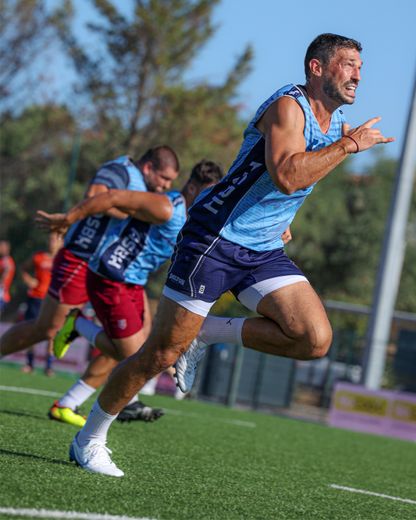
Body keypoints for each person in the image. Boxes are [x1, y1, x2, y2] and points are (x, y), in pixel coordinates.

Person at [63, 33, 394, 477]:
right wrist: (350, 146)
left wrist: (283, 218)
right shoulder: (289, 107)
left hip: (261, 249)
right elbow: (288, 177)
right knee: (159, 353)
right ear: (316, 68)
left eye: (359, 65)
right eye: (348, 63)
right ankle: (88, 439)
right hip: (215, 240)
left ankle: (209, 333)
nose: (358, 73)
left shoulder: (334, 123)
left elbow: (286, 188)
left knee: (313, 338)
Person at [37, 160, 224, 425]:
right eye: (207, 193)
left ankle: (67, 403)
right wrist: (69, 218)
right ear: (192, 187)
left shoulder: (192, 213)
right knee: (134, 355)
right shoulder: (167, 207)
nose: (211, 200)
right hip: (110, 278)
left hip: (132, 283)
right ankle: (78, 324)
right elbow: (112, 196)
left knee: (135, 350)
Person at [0, 146, 179, 420]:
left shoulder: (148, 193)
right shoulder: (119, 170)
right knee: (45, 329)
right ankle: (77, 327)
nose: (166, 186)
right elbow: (96, 197)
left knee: (132, 337)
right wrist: (127, 205)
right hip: (80, 260)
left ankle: (71, 403)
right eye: (164, 179)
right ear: (148, 168)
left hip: (114, 270)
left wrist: (131, 205)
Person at [20, 232, 62, 375]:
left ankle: (49, 366)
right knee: (32, 330)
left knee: (51, 333)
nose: (52, 242)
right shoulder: (38, 257)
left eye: (56, 239)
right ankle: (30, 364)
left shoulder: (64, 259)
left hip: (54, 300)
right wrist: (29, 280)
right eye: (51, 239)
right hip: (36, 298)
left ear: (61, 242)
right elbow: (23, 268)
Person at [0, 240, 16, 316]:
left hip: (2, 294)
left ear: (6, 248)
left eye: (1, 246)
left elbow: (7, 269)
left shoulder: (6, 260)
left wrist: (2, 282)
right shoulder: (4, 260)